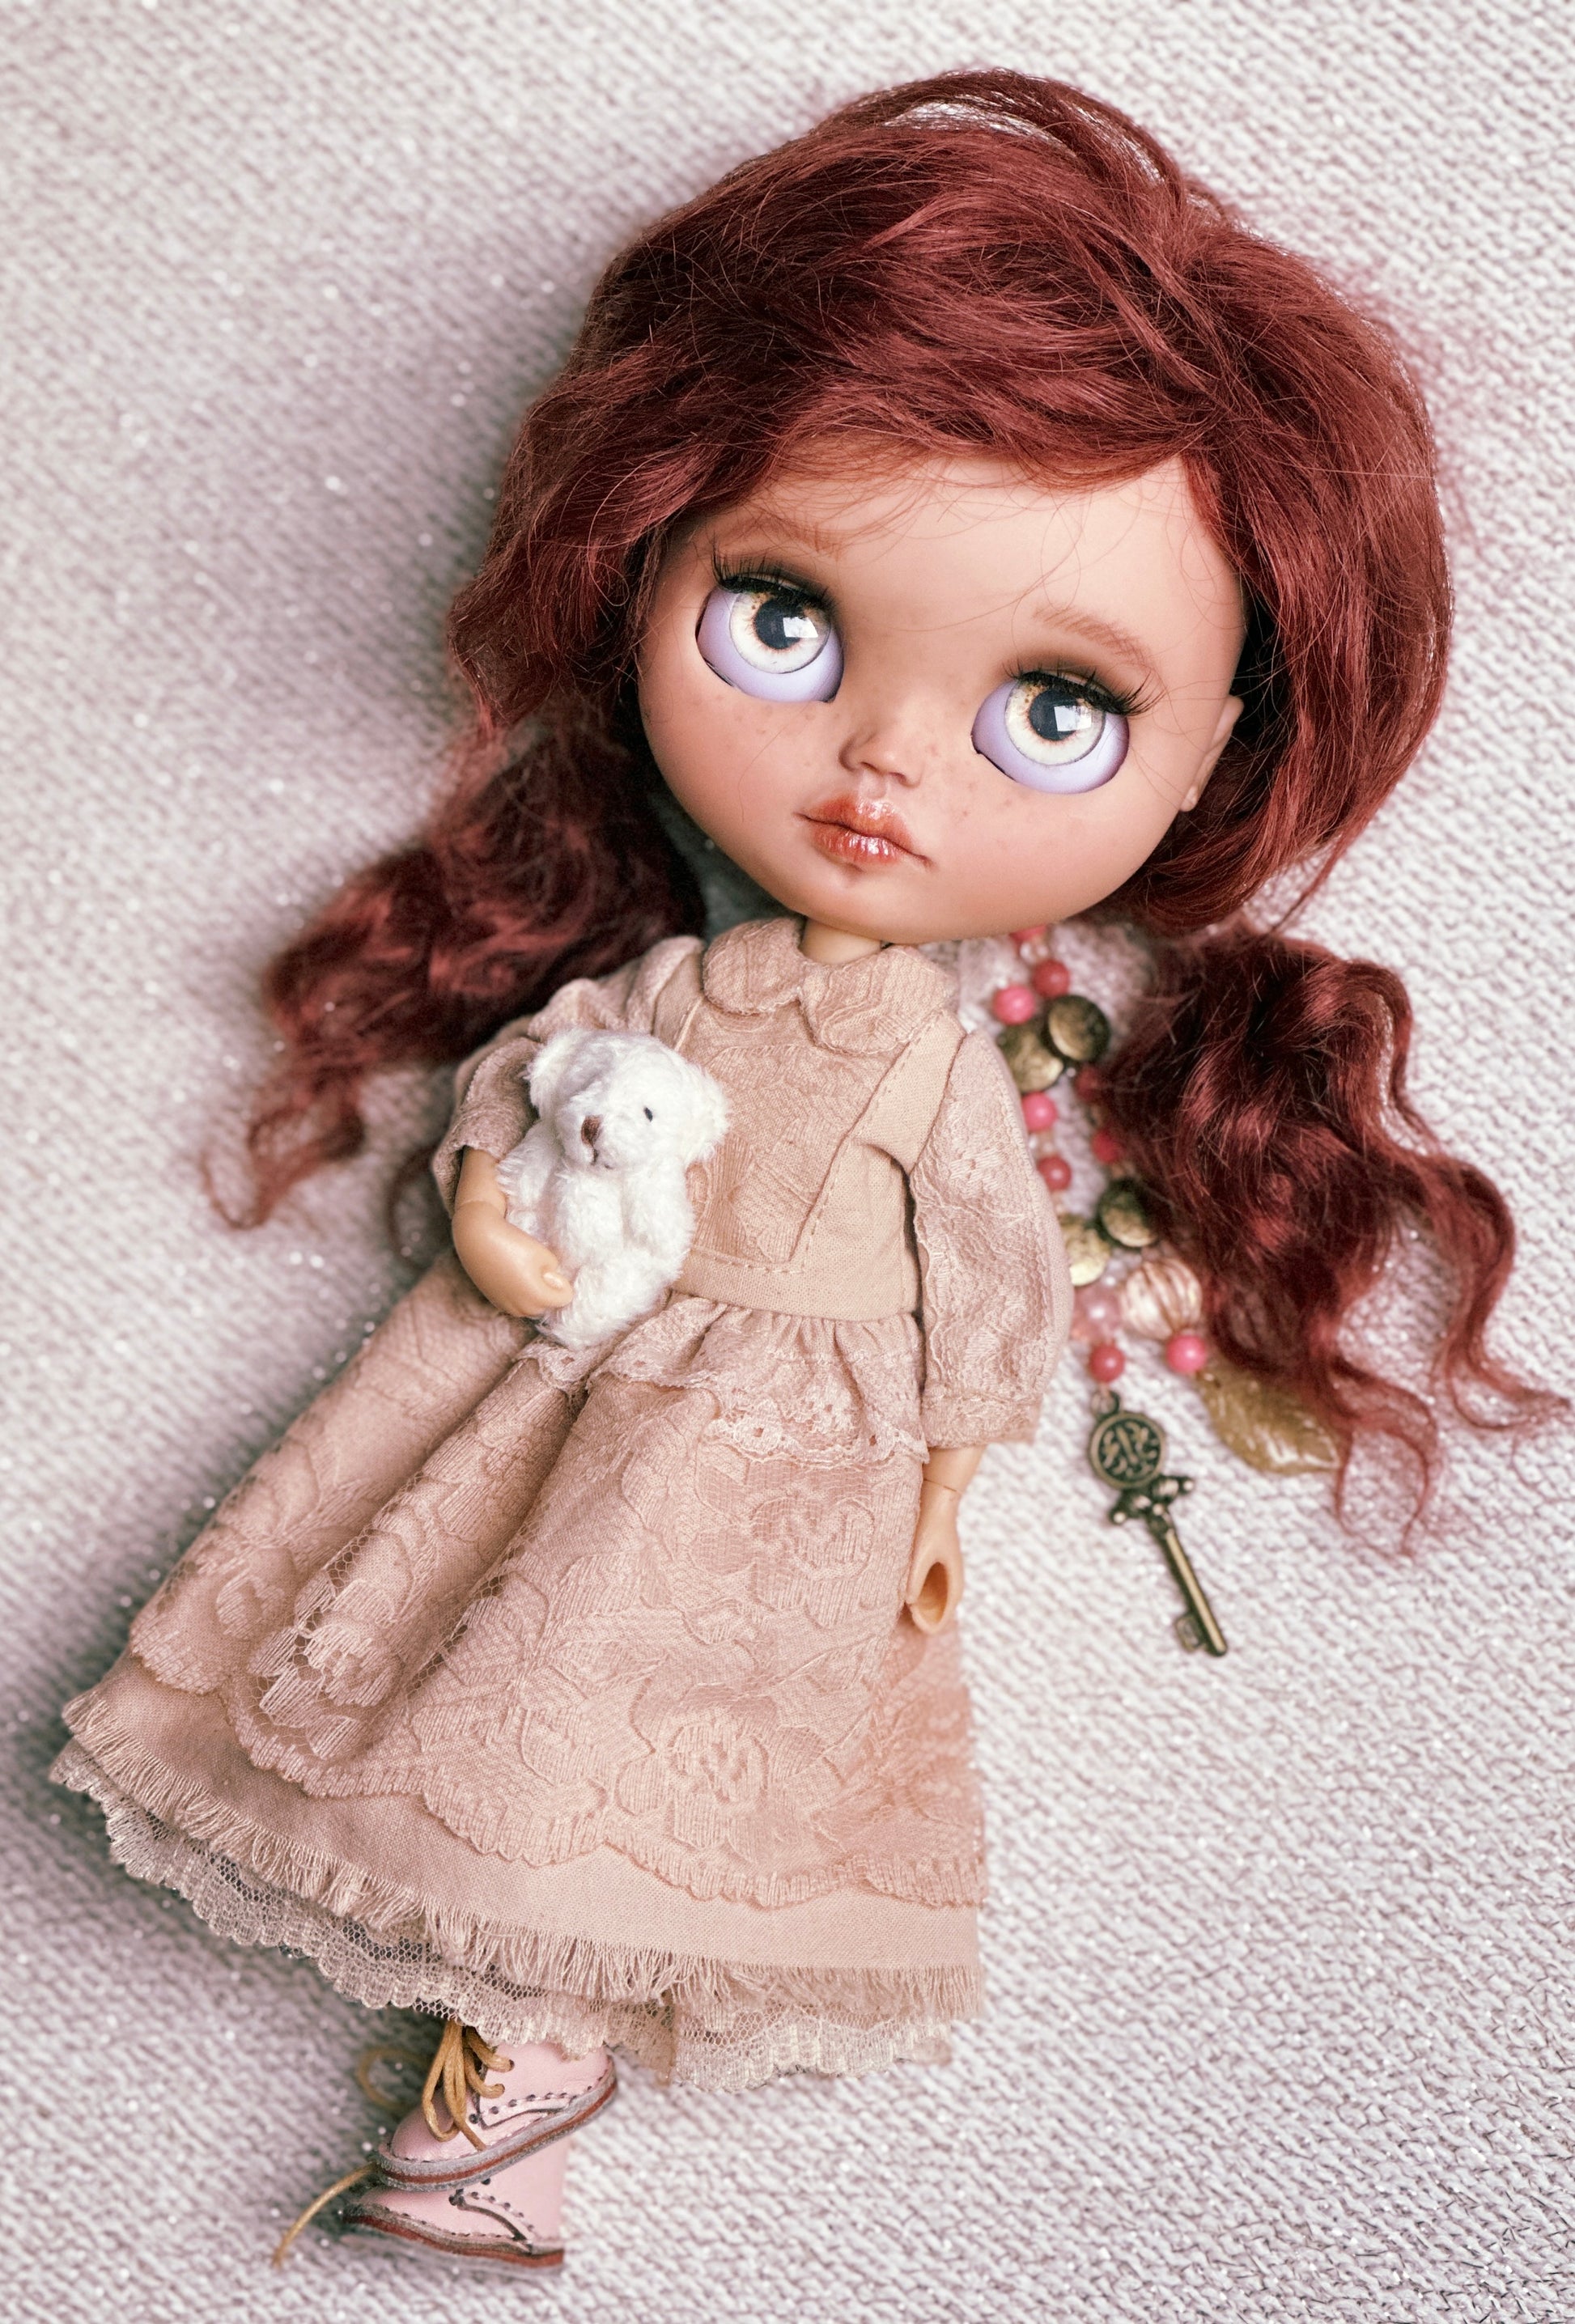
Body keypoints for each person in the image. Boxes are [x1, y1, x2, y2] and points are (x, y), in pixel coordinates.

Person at [53, 70, 1543, 2272]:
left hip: (789, 1464)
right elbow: (522, 1111)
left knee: (638, 1756)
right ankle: (491, 2093)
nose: (880, 763)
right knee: (466, 1697)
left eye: (1055, 708)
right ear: (645, 559)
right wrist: (500, 1227)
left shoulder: (931, 1064)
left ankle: (515, 2100)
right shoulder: (665, 988)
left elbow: (984, 1282)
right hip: (566, 1372)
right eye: (782, 616)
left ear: (1217, 751)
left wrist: (935, 1499)